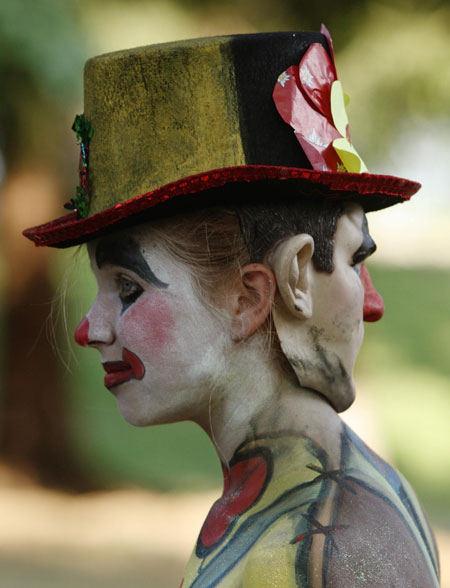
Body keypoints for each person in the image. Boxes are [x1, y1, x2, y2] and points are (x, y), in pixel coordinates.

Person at [24, 27, 440, 587]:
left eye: (127, 288)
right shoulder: (290, 504)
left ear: (252, 296)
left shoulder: (312, 544)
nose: (89, 329)